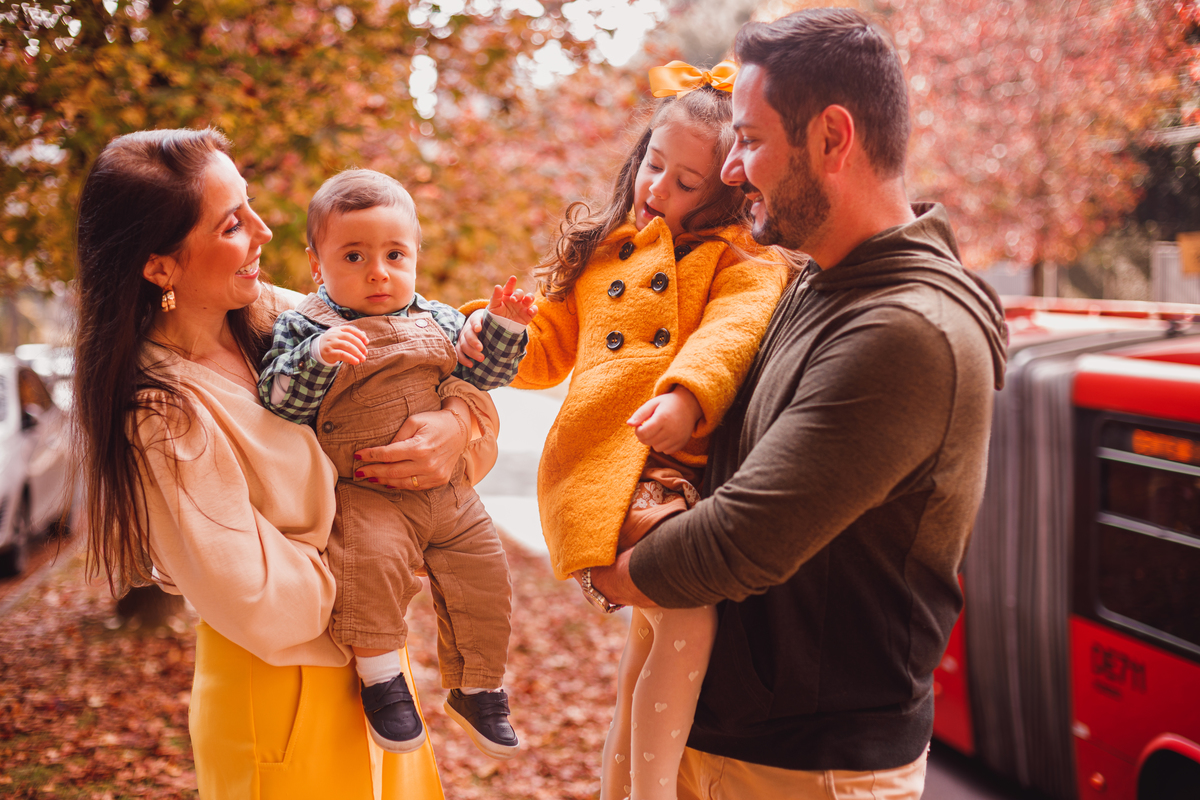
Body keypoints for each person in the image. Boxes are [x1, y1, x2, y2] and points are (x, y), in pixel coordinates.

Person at [588, 9, 1011, 799]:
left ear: (831, 139)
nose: (733, 171)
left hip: (804, 771)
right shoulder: (813, 276)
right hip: (723, 735)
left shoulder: (906, 331)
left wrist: (600, 564)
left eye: (748, 140)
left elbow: (738, 541)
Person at [74, 128, 501, 799]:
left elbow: (437, 383)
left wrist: (456, 426)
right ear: (160, 266)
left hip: (377, 672)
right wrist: (383, 550)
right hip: (281, 696)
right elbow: (261, 603)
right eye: (233, 222)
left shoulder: (283, 319)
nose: (265, 230)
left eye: (250, 205)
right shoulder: (162, 414)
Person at [458, 61, 789, 800]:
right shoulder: (606, 253)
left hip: (670, 464)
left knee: (659, 624)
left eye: (685, 183)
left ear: (729, 189)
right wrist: (495, 328)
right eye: (654, 162)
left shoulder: (741, 258)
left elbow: (730, 336)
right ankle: (652, 790)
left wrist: (687, 396)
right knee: (688, 600)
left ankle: (624, 784)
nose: (656, 188)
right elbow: (546, 349)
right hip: (603, 467)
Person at [257, 168, 533, 758]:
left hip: (450, 493)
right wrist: (317, 358)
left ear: (415, 256)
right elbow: (278, 400)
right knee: (371, 567)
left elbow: (484, 378)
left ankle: (478, 684)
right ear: (316, 263)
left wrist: (505, 327)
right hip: (368, 489)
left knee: (484, 572)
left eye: (394, 254)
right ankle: (383, 679)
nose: (378, 272)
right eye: (353, 255)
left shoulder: (439, 319)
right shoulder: (305, 326)